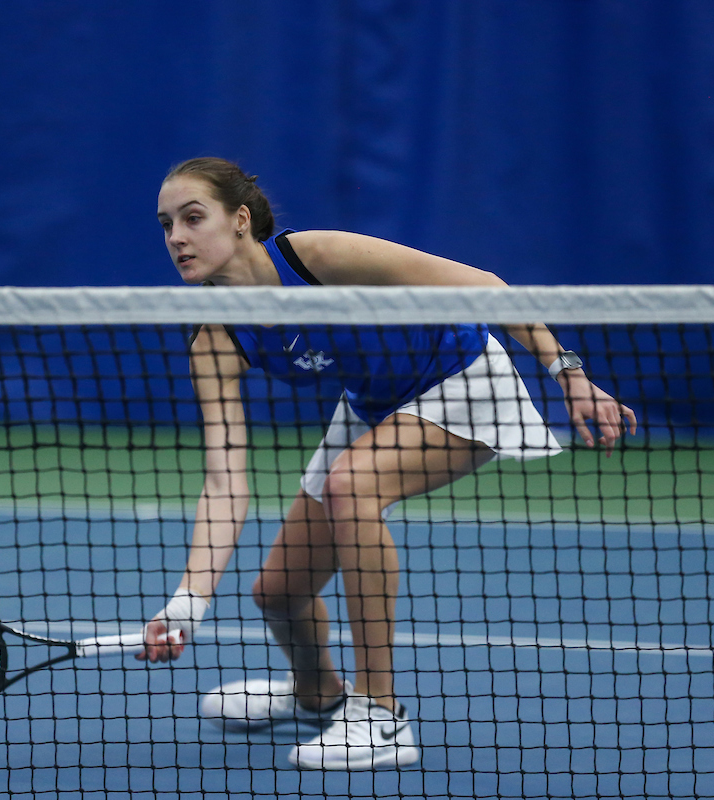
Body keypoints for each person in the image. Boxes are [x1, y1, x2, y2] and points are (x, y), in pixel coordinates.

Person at [139, 157, 636, 771]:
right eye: (166, 226)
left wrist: (568, 373)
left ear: (241, 220)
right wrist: (189, 599)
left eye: (193, 218)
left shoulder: (313, 258)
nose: (177, 239)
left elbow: (485, 283)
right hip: (375, 405)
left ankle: (380, 714)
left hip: (461, 381)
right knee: (277, 593)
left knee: (353, 486)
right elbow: (224, 480)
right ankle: (317, 695)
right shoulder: (215, 336)